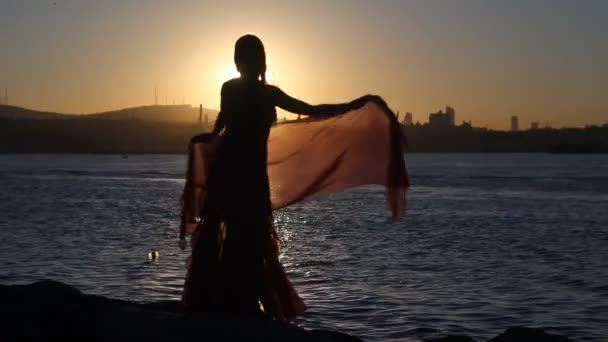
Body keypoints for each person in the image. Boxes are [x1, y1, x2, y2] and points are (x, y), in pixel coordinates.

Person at [179, 34, 383, 321]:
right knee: (231, 239)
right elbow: (223, 123)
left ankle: (238, 306)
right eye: (242, 57)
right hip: (231, 174)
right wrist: (209, 139)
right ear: (238, 62)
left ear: (255, 62)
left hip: (248, 177)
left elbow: (312, 110)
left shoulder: (268, 93)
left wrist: (355, 105)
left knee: (249, 240)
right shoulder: (236, 89)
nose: (244, 63)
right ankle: (226, 306)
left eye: (248, 57)